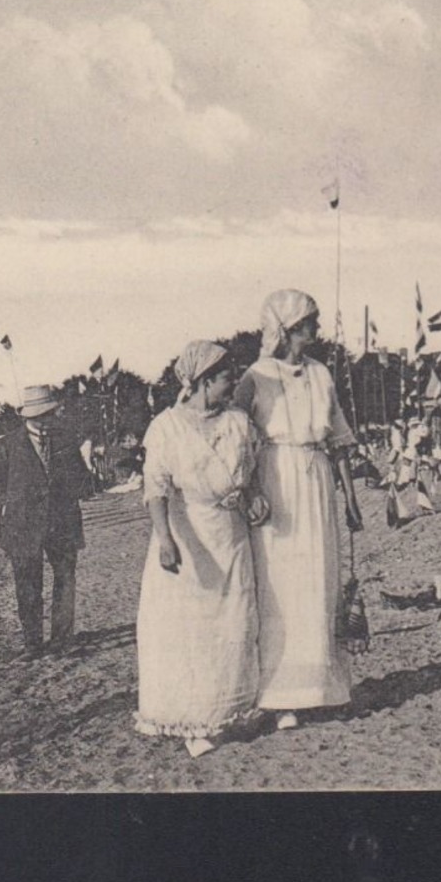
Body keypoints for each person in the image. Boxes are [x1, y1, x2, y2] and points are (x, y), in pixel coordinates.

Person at [235, 290, 367, 731]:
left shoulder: (322, 374)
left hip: (316, 484)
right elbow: (237, 438)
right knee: (281, 590)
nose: (316, 329)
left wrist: (349, 498)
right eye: (309, 322)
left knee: (319, 583)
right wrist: (252, 490)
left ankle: (323, 690)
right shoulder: (256, 376)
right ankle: (279, 698)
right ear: (287, 328)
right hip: (275, 481)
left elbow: (341, 441)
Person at [135, 341, 269, 758]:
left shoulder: (238, 423)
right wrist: (166, 540)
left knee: (233, 626)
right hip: (188, 538)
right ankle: (195, 723)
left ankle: (232, 710)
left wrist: (254, 499)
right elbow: (155, 490)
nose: (234, 382)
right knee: (190, 632)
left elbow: (250, 476)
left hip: (231, 537)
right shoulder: (166, 427)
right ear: (203, 381)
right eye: (227, 376)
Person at [0, 384, 95, 655]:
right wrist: (16, 500)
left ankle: (62, 639)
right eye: (40, 417)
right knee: (28, 585)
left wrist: (74, 486)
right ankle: (33, 642)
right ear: (28, 418)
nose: (46, 421)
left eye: (49, 414)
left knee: (65, 580)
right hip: (23, 527)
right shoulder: (8, 444)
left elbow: (83, 481)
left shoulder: (66, 440)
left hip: (62, 523)